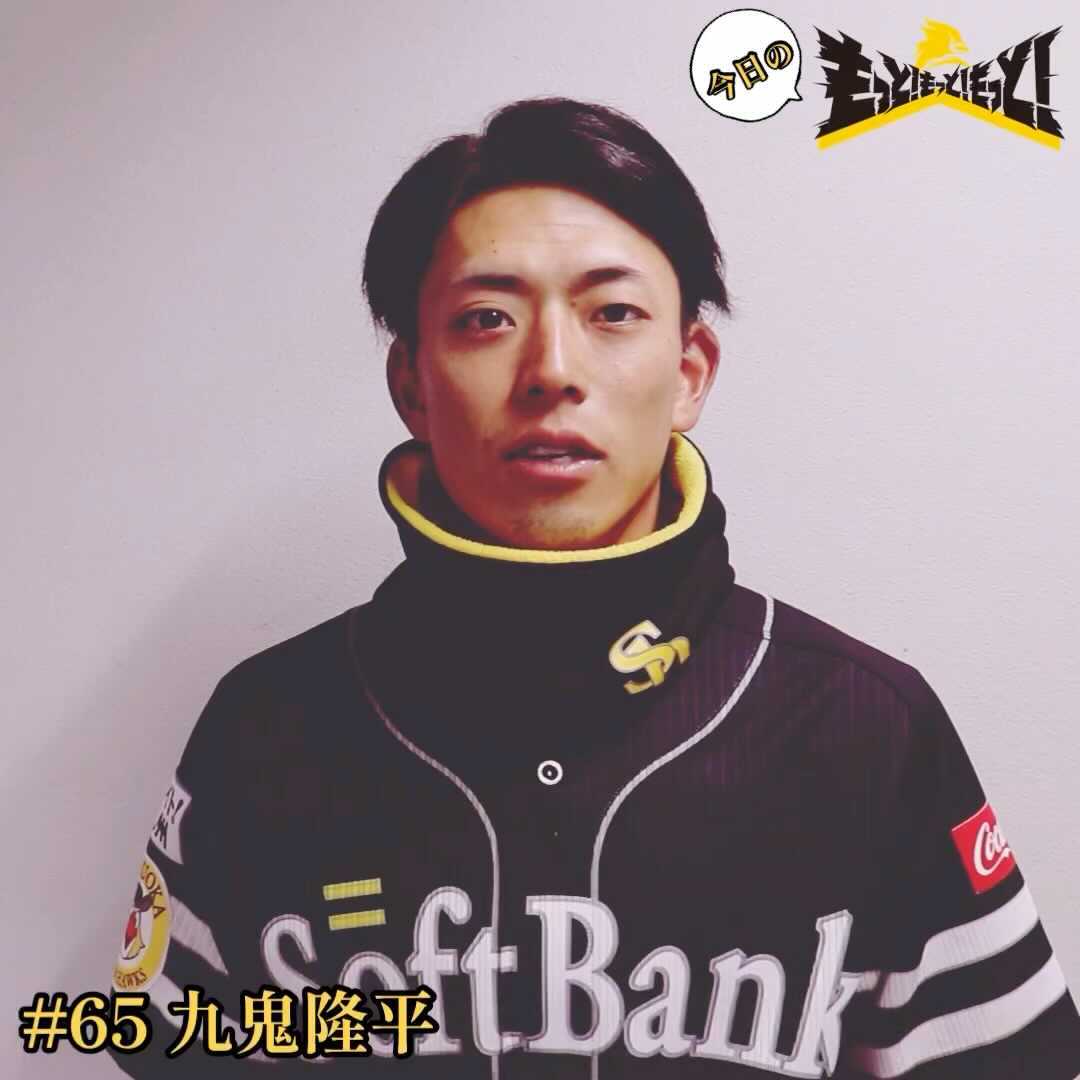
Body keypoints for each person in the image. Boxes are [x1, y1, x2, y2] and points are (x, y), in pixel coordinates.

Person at [106, 96, 1080, 1078]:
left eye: (612, 313)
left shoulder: (865, 729)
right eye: (486, 319)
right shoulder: (265, 731)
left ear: (689, 371)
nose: (551, 370)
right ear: (411, 384)